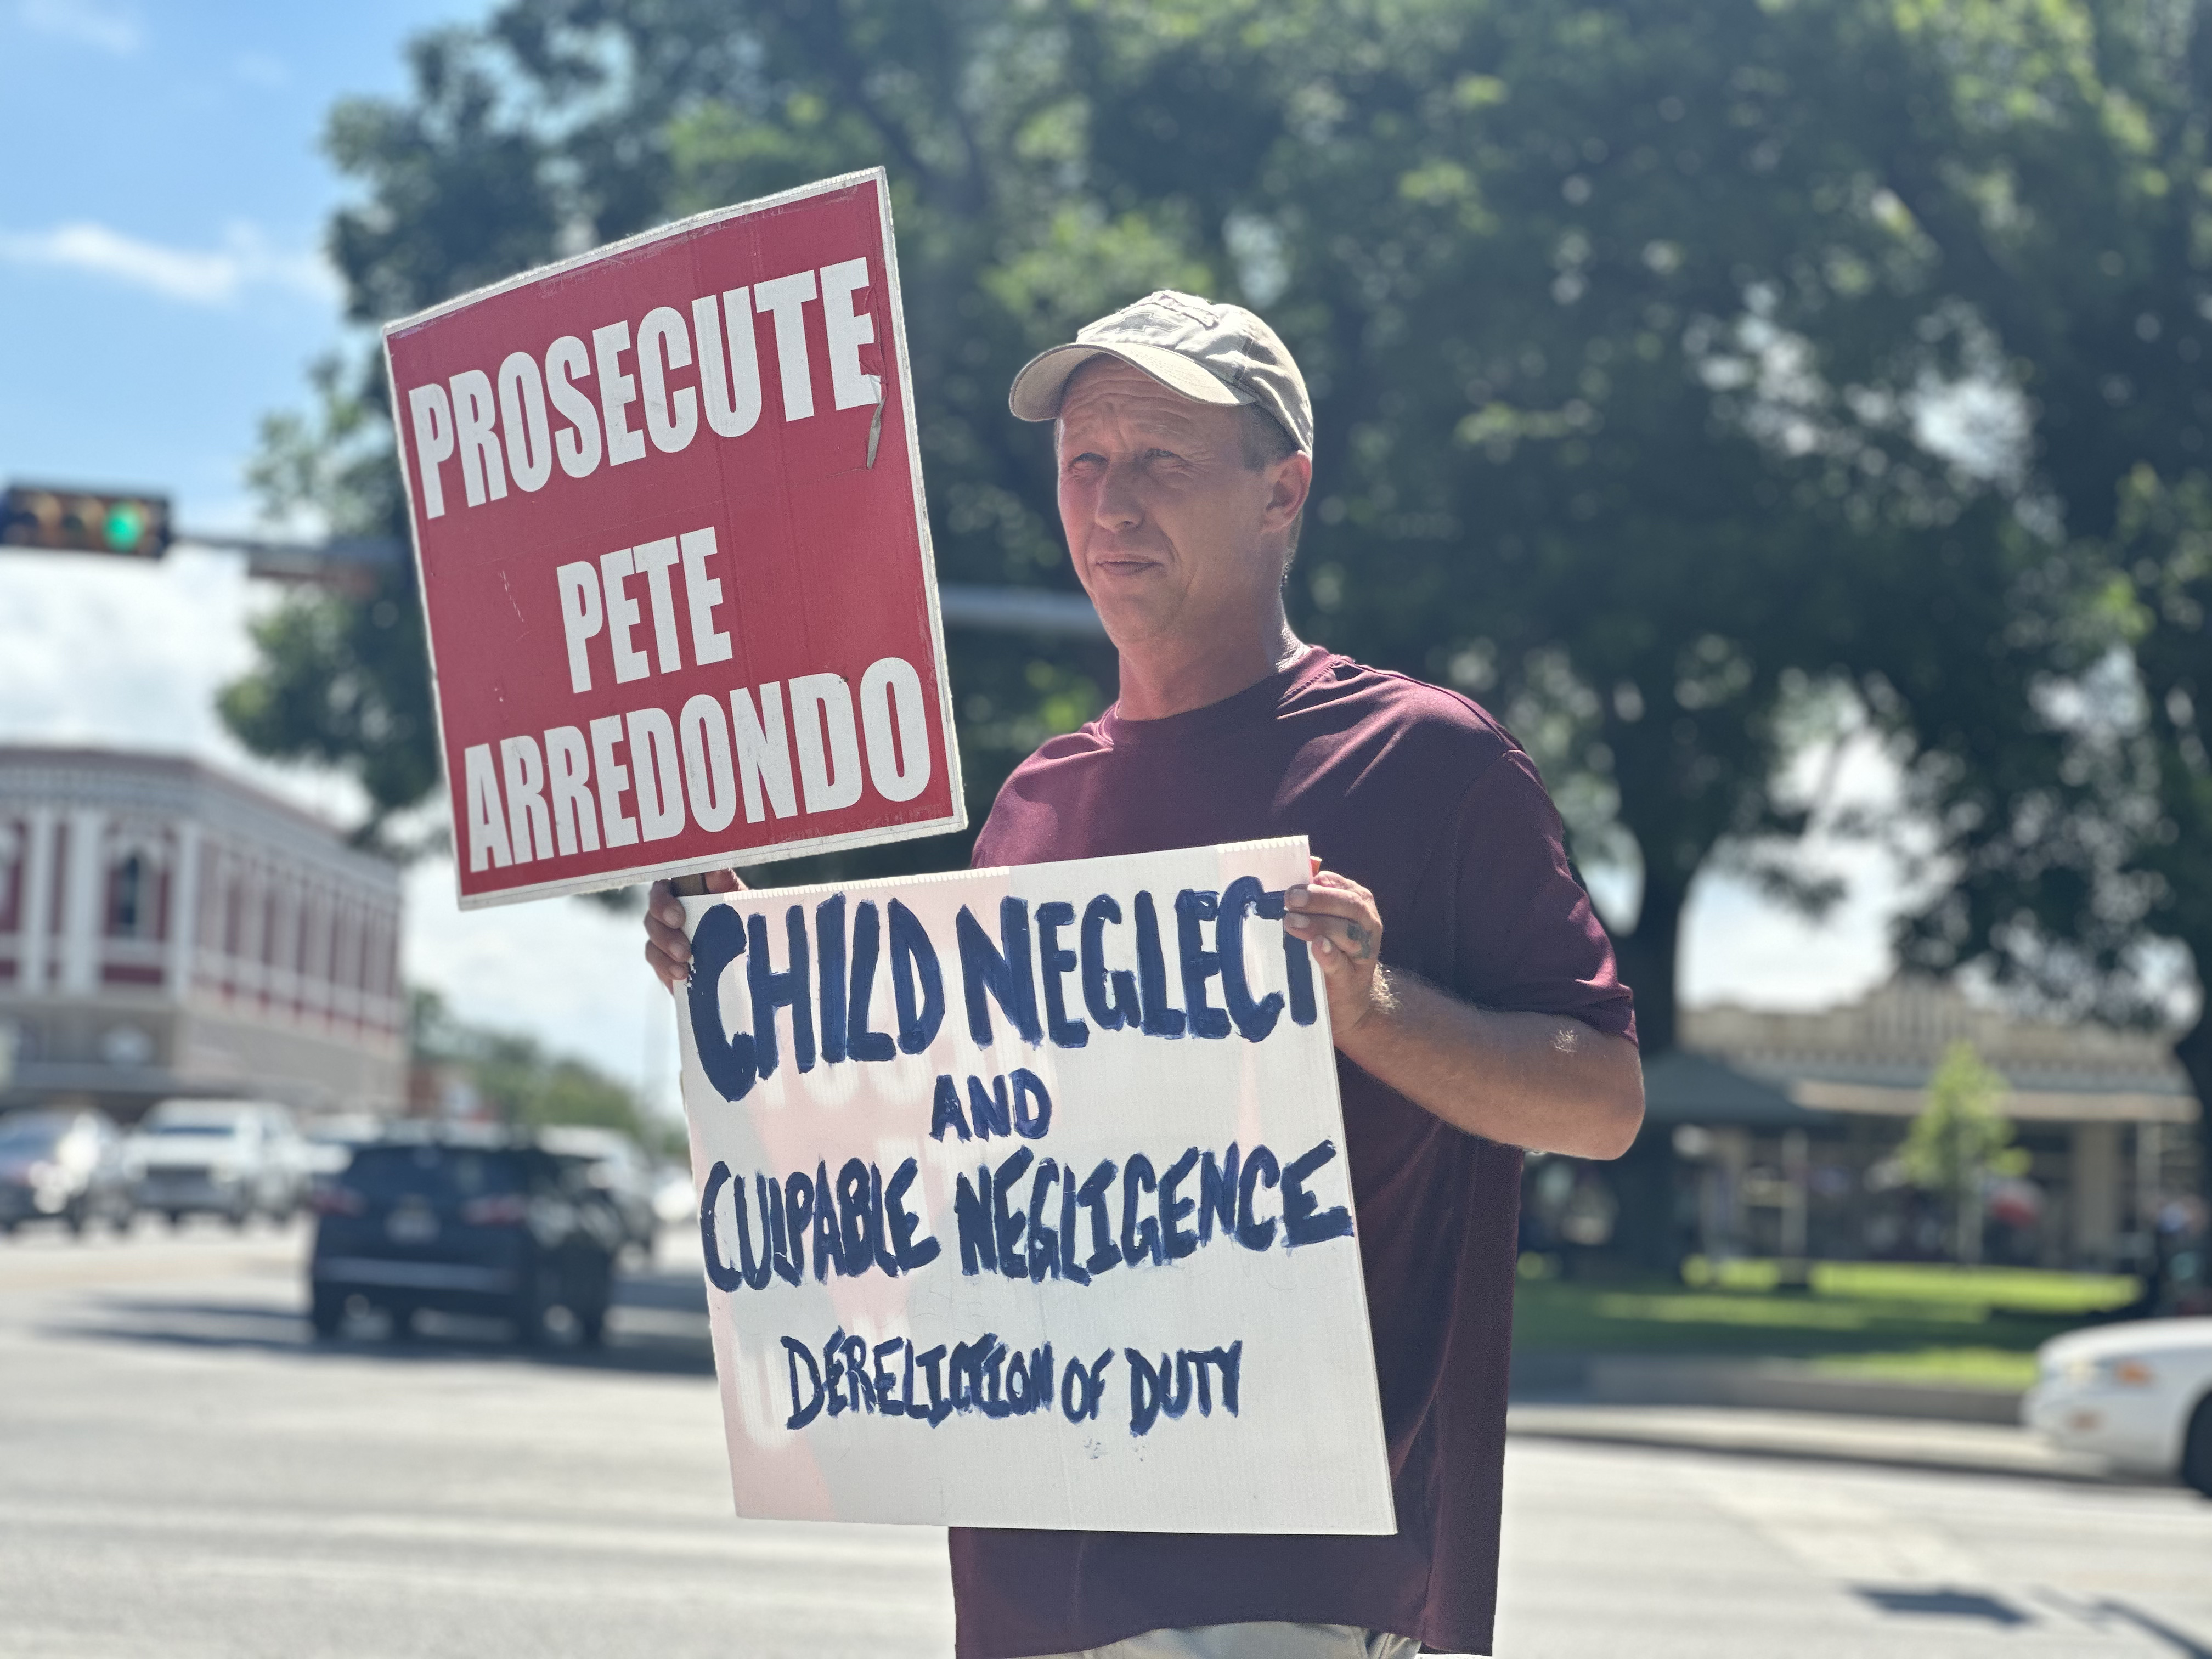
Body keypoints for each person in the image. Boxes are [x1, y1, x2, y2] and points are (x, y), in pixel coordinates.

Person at [644, 290, 1644, 1659]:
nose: (1112, 504)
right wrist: (762, 996)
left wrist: (1374, 1011)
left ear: (1281, 493)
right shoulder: (1033, 807)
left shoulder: (1429, 762)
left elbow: (1601, 1102)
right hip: (1026, 1584)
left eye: (1164, 462)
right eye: (1085, 463)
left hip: (1299, 1593)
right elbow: (952, 1162)